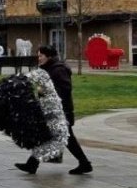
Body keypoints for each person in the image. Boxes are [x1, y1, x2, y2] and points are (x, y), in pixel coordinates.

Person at [15, 45, 94, 175]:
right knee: (51, 136)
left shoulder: (58, 70)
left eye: (41, 56)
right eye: (38, 55)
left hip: (60, 111)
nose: (38, 58)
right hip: (53, 110)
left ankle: (84, 163)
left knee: (65, 138)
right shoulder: (50, 69)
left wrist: (46, 92)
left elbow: (65, 89)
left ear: (49, 56)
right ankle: (32, 164)